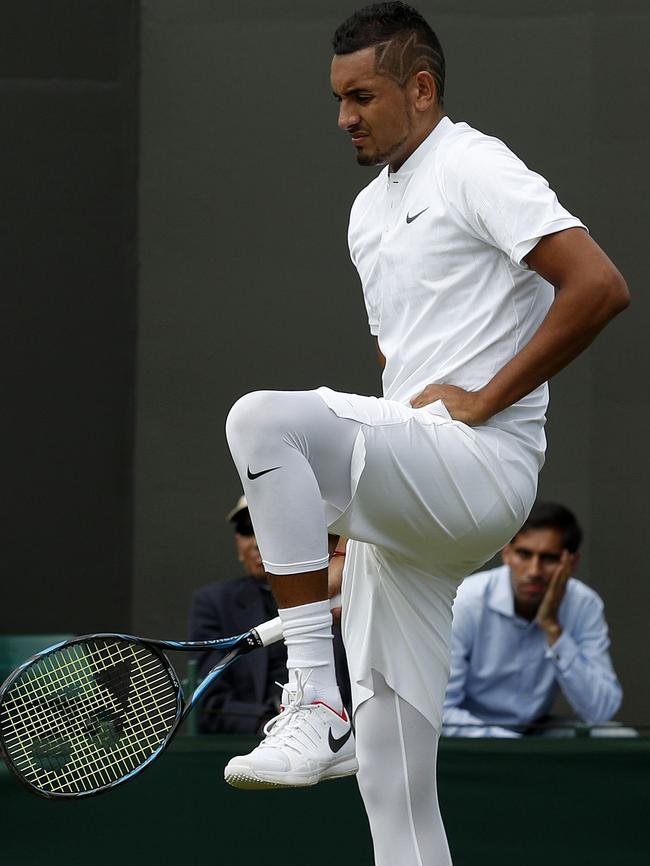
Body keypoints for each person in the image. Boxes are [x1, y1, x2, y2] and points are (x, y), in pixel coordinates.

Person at [222, 3, 629, 864]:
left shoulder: (474, 166)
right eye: (338, 100)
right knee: (393, 789)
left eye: (362, 97)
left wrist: (484, 397)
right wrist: (341, 494)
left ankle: (313, 702)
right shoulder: (368, 213)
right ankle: (339, 727)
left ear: (421, 86)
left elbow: (597, 286)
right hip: (418, 473)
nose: (344, 118)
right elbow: (399, 362)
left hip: (480, 466)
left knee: (262, 420)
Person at [442, 502, 623, 737]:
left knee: (616, 735)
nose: (534, 571)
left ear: (571, 563)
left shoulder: (583, 604)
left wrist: (553, 629)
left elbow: (601, 711)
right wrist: (517, 747)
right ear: (507, 553)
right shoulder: (468, 602)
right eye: (524, 554)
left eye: (549, 558)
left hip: (540, 730)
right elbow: (442, 711)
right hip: (475, 737)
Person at [189, 495, 351, 733]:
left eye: (269, 528)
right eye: (247, 530)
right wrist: (270, 726)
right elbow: (210, 705)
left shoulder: (349, 594)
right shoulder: (214, 603)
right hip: (252, 746)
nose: (257, 542)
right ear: (238, 543)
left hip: (337, 738)